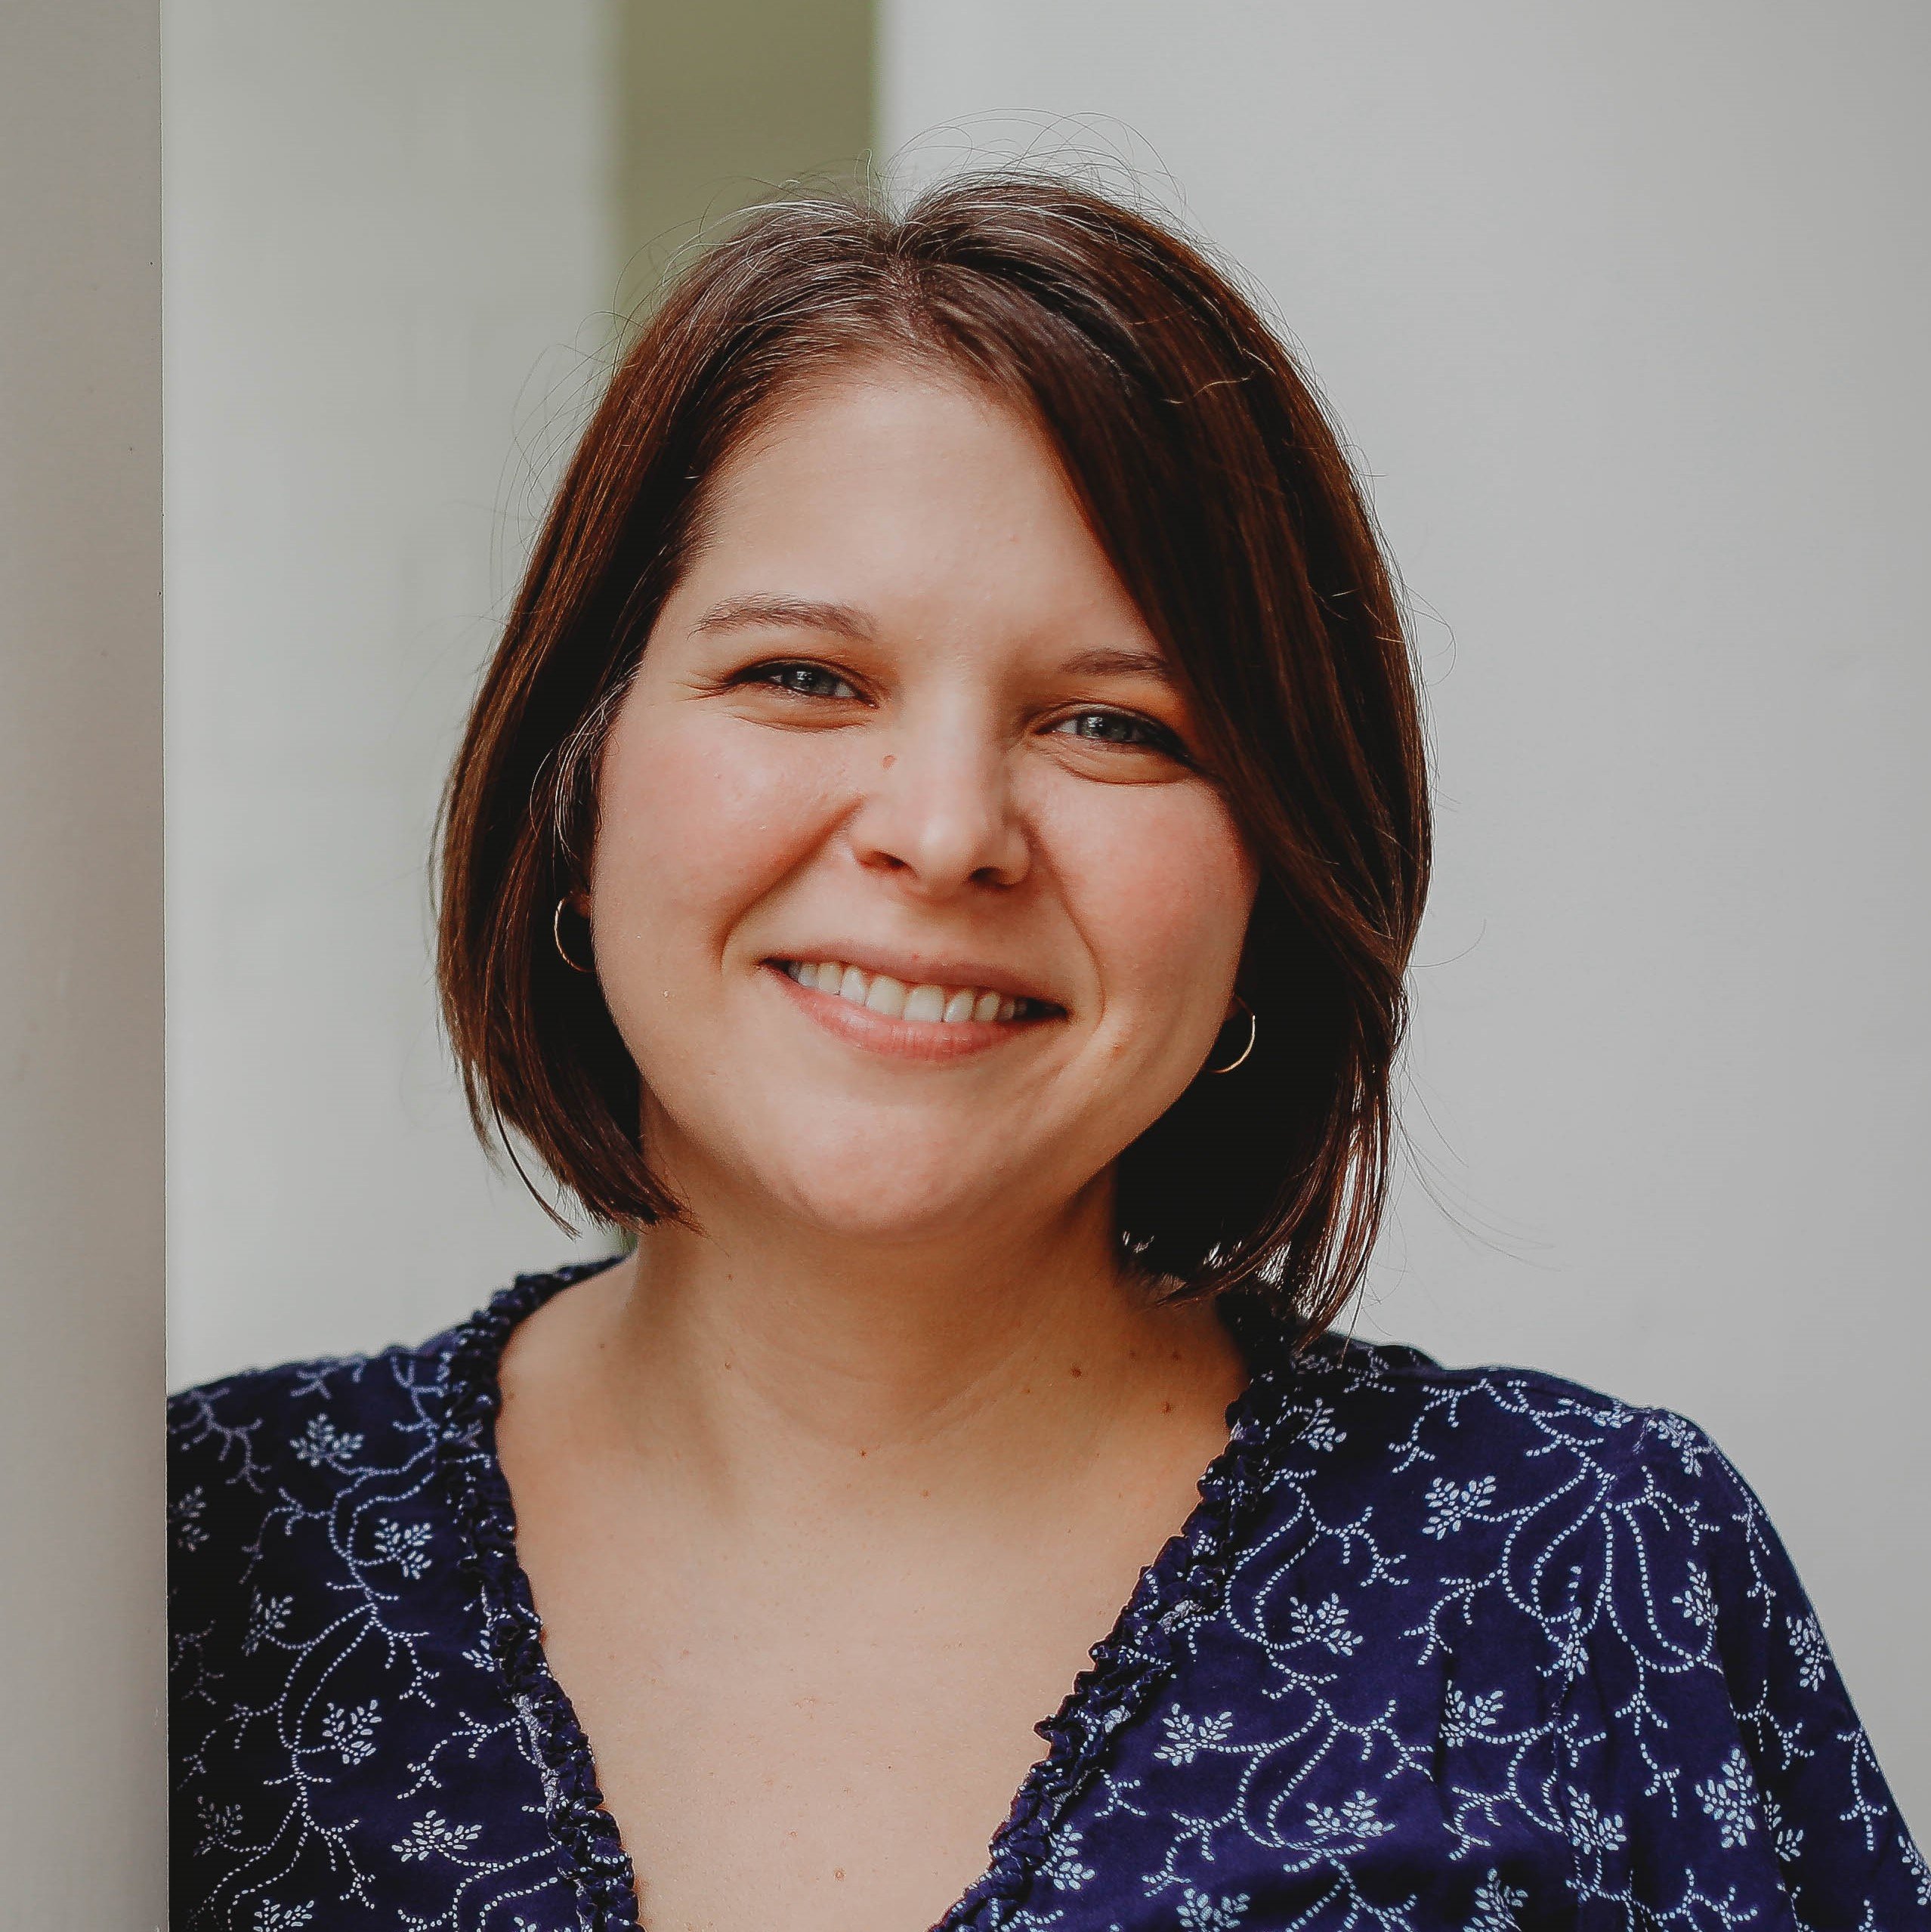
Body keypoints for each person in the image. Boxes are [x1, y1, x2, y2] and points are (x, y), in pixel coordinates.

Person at [166, 174, 1926, 1932]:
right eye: (803, 677)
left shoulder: (1588, 1579)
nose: (944, 834)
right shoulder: (184, 1568)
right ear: (580, 779)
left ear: (1275, 872)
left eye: (1112, 723)